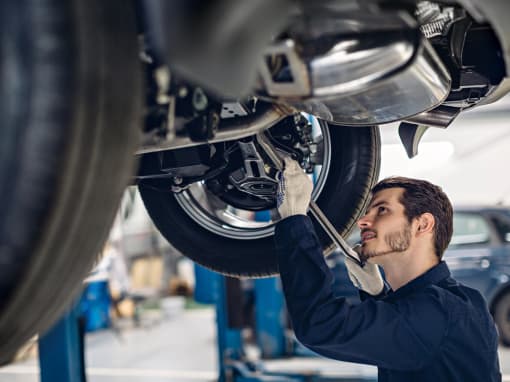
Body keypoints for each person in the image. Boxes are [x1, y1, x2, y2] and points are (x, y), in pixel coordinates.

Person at [274, 157, 501, 381]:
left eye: (382, 210)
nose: (362, 221)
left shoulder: (437, 312)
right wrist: (377, 294)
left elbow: (320, 325)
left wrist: (295, 219)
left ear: (422, 225)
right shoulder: (461, 302)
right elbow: (406, 334)